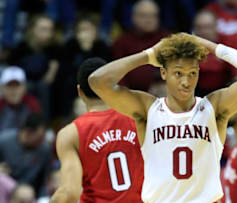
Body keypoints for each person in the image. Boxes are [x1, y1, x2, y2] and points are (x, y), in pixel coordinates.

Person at [88, 33, 237, 202]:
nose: (186, 82)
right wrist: (149, 55)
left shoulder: (214, 108)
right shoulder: (147, 109)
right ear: (163, 73)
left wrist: (210, 46)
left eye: (192, 73)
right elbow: (97, 81)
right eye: (178, 73)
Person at [51, 58, 144, 202]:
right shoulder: (139, 119)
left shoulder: (70, 134)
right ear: (112, 86)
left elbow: (69, 193)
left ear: (80, 92)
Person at [112, 0, 169, 92]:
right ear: (133, 17)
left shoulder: (167, 40)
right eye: (143, 16)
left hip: (161, 92)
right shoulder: (122, 42)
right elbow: (117, 73)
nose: (149, 20)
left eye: (153, 16)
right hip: (129, 94)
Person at [0, 113, 52, 196]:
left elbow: (45, 181)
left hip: (30, 194)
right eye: (40, 137)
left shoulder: (44, 149)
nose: (42, 141)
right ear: (28, 132)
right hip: (5, 191)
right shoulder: (3, 141)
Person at [193, 10, 234, 97]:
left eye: (208, 27)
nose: (204, 31)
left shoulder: (227, 44)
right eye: (199, 27)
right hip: (195, 91)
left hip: (224, 90)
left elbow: (236, 74)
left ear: (216, 27)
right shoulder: (187, 46)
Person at [0, 66, 41, 133]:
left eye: (17, 85)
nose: (13, 91)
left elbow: (39, 131)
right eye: (9, 86)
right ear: (2, 88)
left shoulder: (33, 105)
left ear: (24, 87)